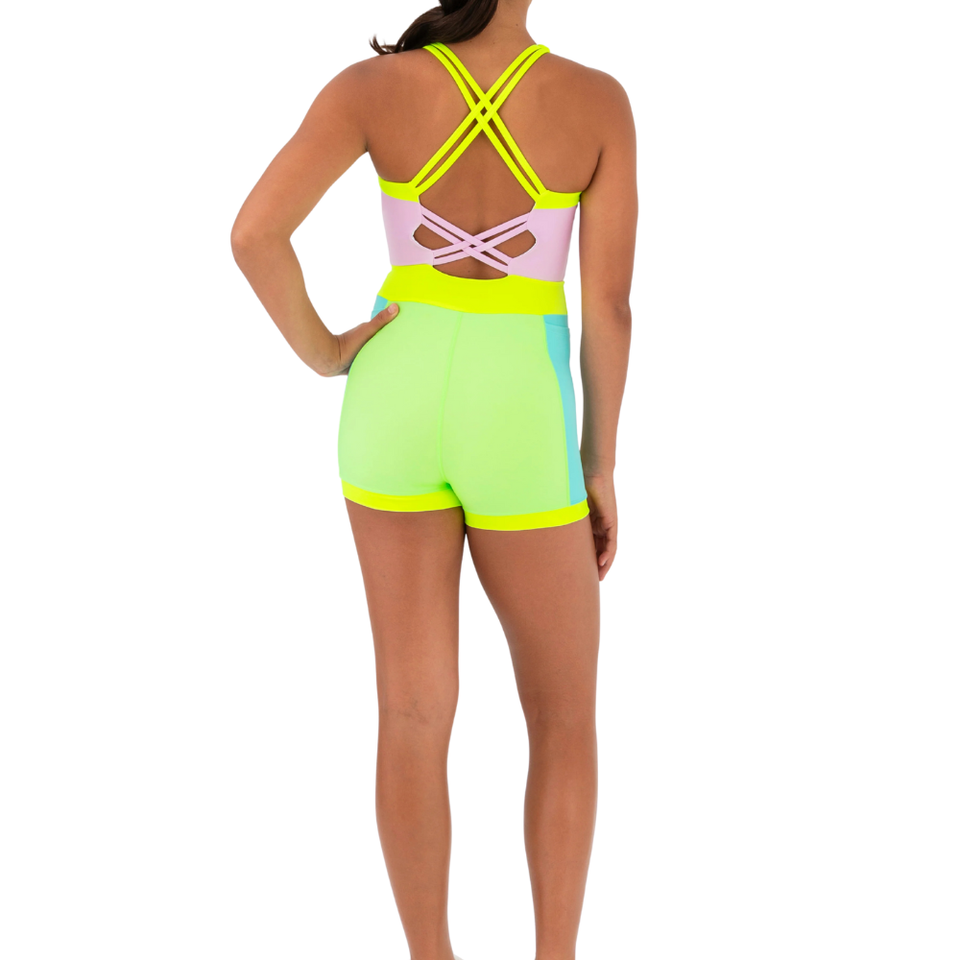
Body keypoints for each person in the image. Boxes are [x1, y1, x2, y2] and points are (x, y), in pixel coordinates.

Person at [231, 0, 635, 956]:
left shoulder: (372, 87)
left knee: (411, 713)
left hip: (394, 394)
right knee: (563, 715)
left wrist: (328, 352)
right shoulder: (596, 101)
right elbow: (609, 307)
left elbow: (254, 235)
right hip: (518, 406)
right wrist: (600, 461)